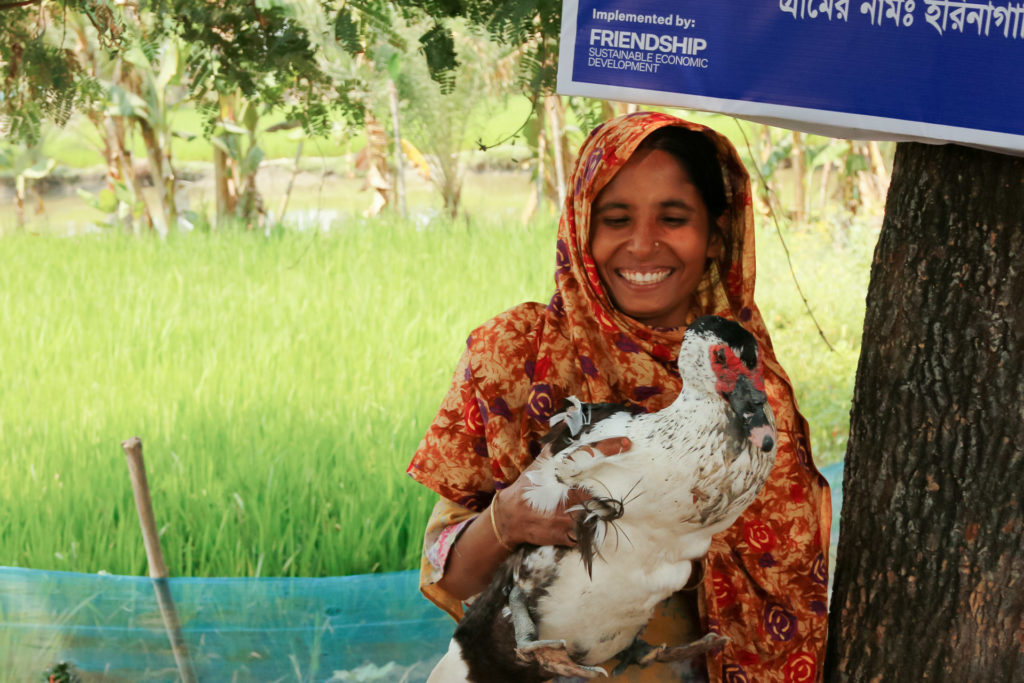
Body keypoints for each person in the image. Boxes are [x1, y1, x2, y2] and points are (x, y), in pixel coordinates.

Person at [406, 111, 831, 682]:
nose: (642, 244)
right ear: (583, 230)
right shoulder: (514, 357)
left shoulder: (752, 394)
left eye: (674, 218)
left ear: (714, 235)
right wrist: (508, 520)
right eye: (616, 218)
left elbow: (790, 592)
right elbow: (449, 575)